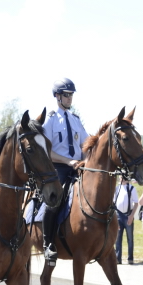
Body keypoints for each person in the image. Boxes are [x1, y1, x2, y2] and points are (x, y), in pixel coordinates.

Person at [41, 78, 90, 267]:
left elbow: (85, 144)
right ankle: (48, 243)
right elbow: (46, 151)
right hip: (59, 168)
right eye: (66, 95)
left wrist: (86, 159)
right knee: (54, 200)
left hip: (78, 167)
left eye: (71, 95)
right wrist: (68, 160)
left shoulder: (75, 120)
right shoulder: (50, 120)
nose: (70, 98)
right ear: (57, 96)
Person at [114, 176, 139, 264]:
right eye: (120, 177)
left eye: (123, 177)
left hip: (128, 215)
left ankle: (130, 258)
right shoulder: (117, 188)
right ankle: (118, 258)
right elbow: (113, 203)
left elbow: (136, 203)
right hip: (118, 215)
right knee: (118, 238)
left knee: (130, 238)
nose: (121, 178)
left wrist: (132, 215)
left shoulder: (132, 188)